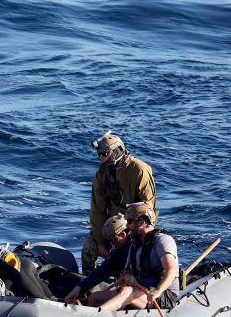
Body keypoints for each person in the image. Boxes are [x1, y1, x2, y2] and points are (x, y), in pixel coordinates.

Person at [83, 130, 157, 274]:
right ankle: (88, 282)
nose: (102, 158)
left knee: (128, 261)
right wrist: (100, 242)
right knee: (88, 250)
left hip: (135, 225)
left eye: (105, 153)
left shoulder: (140, 170)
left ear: (117, 151)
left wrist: (132, 232)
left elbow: (147, 210)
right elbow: (97, 210)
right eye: (99, 154)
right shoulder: (102, 174)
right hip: (111, 224)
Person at [95, 203, 179, 311]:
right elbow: (126, 272)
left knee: (126, 291)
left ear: (142, 222)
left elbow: (171, 271)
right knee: (95, 297)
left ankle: (96, 314)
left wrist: (157, 291)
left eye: (129, 221)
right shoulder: (135, 244)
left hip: (163, 294)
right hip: (139, 289)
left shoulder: (163, 241)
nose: (127, 226)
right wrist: (128, 276)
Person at [64, 214, 133, 305]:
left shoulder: (133, 249)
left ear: (123, 235)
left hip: (141, 292)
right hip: (129, 287)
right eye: (108, 241)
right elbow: (102, 271)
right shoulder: (119, 250)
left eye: (113, 240)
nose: (111, 245)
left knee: (95, 298)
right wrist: (79, 288)